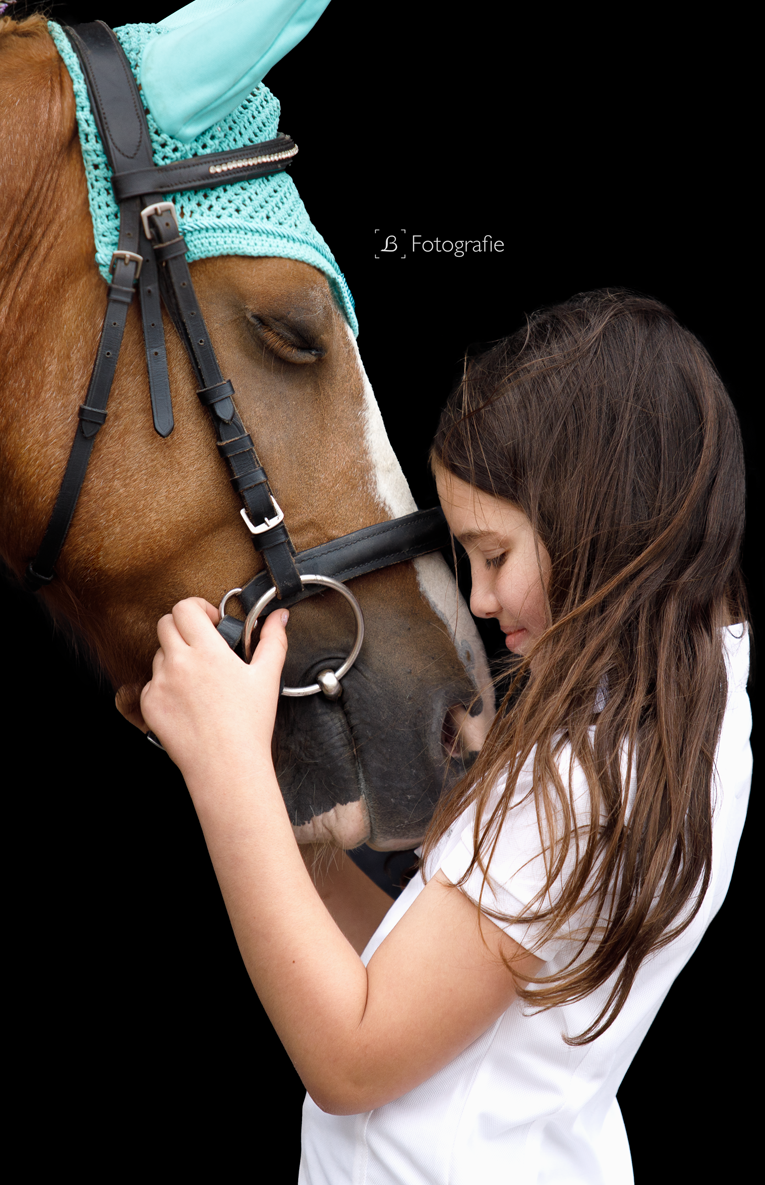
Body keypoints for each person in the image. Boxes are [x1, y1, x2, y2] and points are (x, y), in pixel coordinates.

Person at [123, 290, 752, 1184]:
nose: (481, 600)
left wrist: (228, 771)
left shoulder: (583, 781)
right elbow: (410, 974)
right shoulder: (684, 717)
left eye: (494, 556)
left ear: (603, 520)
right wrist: (269, 802)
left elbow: (350, 1058)